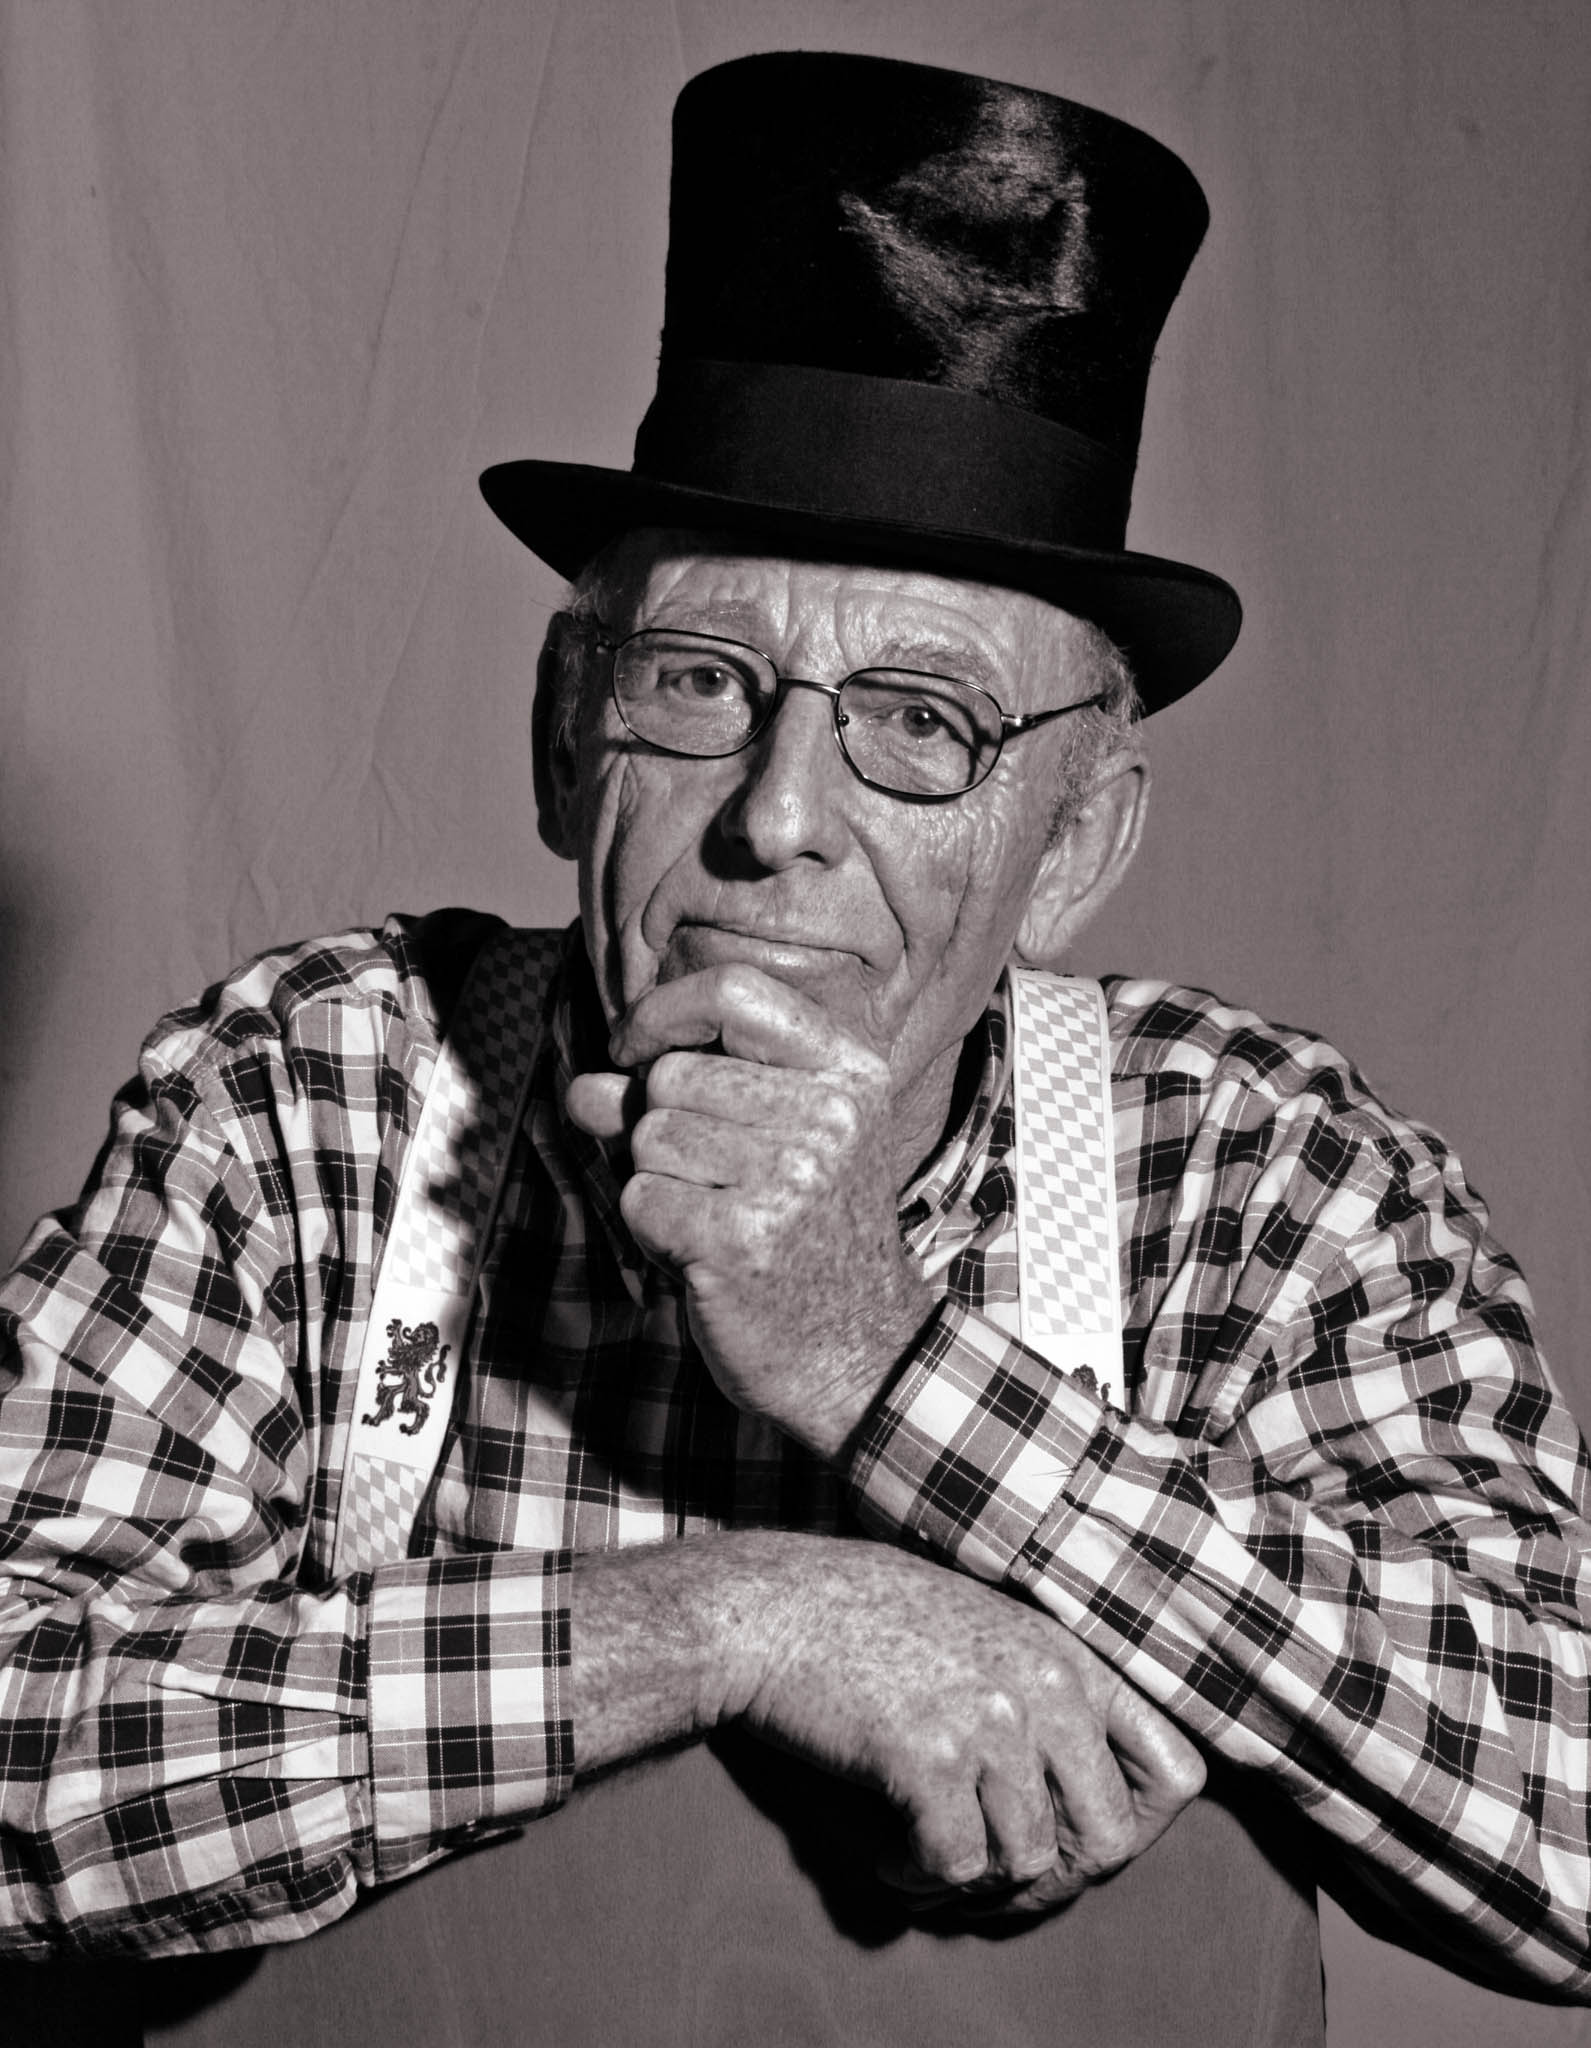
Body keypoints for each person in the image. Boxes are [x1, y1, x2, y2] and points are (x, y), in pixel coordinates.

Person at [2, 46, 1589, 2027]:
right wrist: (717, 1624)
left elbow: (1571, 1839)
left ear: (1074, 840)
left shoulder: (1258, 1177)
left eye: (918, 723)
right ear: (566, 737)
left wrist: (880, 1357)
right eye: (697, 681)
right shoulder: (318, 1094)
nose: (775, 814)